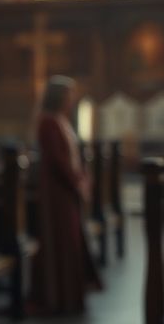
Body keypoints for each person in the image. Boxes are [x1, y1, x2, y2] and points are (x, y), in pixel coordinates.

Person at [29, 76, 101, 315]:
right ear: (58, 96)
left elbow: (72, 156)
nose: (72, 100)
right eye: (68, 95)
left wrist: (82, 177)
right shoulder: (47, 123)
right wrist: (76, 181)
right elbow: (58, 160)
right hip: (57, 191)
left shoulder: (62, 121)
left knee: (71, 241)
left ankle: (71, 296)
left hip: (67, 190)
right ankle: (57, 298)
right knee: (60, 242)